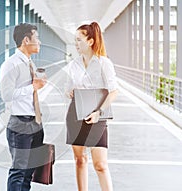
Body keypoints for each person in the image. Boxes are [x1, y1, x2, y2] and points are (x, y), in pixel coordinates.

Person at [65, 22, 118, 191]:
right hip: (76, 114)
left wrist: (99, 112)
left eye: (79, 40)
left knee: (100, 164)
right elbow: (68, 90)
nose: (76, 44)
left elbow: (114, 91)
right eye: (75, 40)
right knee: (80, 160)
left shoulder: (104, 63)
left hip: (98, 116)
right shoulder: (74, 65)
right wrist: (71, 91)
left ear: (90, 41)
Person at [0, 23, 46, 191]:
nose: (39, 42)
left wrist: (37, 86)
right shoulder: (10, 64)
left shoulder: (29, 63)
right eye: (37, 38)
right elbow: (6, 95)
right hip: (20, 123)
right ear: (26, 40)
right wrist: (32, 87)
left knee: (28, 172)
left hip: (35, 121)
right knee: (19, 172)